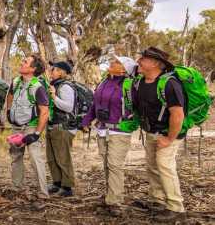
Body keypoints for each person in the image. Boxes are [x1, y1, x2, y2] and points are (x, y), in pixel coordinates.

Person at [131, 47, 186, 221]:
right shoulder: (140, 82)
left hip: (168, 134)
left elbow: (178, 114)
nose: (139, 61)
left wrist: (169, 138)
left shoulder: (170, 84)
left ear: (155, 63)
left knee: (165, 166)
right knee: (152, 166)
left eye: (143, 59)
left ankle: (176, 208)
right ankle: (158, 201)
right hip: (151, 133)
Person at [81, 55, 138, 216]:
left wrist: (132, 124)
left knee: (114, 165)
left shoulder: (129, 86)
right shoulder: (104, 82)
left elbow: (139, 107)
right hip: (102, 130)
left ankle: (116, 201)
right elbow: (94, 105)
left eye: (117, 62)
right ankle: (110, 196)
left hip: (119, 131)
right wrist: (86, 121)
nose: (112, 63)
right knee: (107, 164)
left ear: (124, 69)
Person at [6, 54, 50, 197]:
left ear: (33, 69)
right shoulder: (16, 81)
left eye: (25, 62)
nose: (22, 63)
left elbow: (44, 112)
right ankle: (16, 187)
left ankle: (43, 193)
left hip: (31, 127)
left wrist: (36, 134)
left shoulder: (38, 87)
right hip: (16, 127)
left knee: (35, 157)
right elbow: (10, 95)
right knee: (15, 156)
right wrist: (8, 111)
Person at [45, 60, 77, 197]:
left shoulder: (65, 87)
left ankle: (67, 187)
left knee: (63, 158)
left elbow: (68, 107)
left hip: (63, 127)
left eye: (53, 69)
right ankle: (56, 182)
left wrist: (54, 97)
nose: (50, 72)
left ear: (61, 72)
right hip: (53, 125)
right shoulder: (54, 85)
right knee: (52, 157)